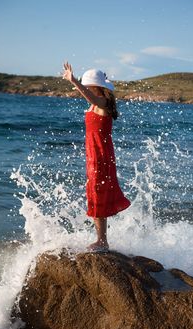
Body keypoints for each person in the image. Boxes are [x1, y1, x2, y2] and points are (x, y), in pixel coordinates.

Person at [62, 62, 130, 252]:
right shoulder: (95, 104)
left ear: (94, 86)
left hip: (101, 154)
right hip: (94, 154)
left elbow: (89, 97)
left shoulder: (103, 103)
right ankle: (101, 239)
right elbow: (89, 98)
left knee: (98, 193)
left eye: (87, 84)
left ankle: (102, 241)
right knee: (94, 192)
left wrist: (73, 80)